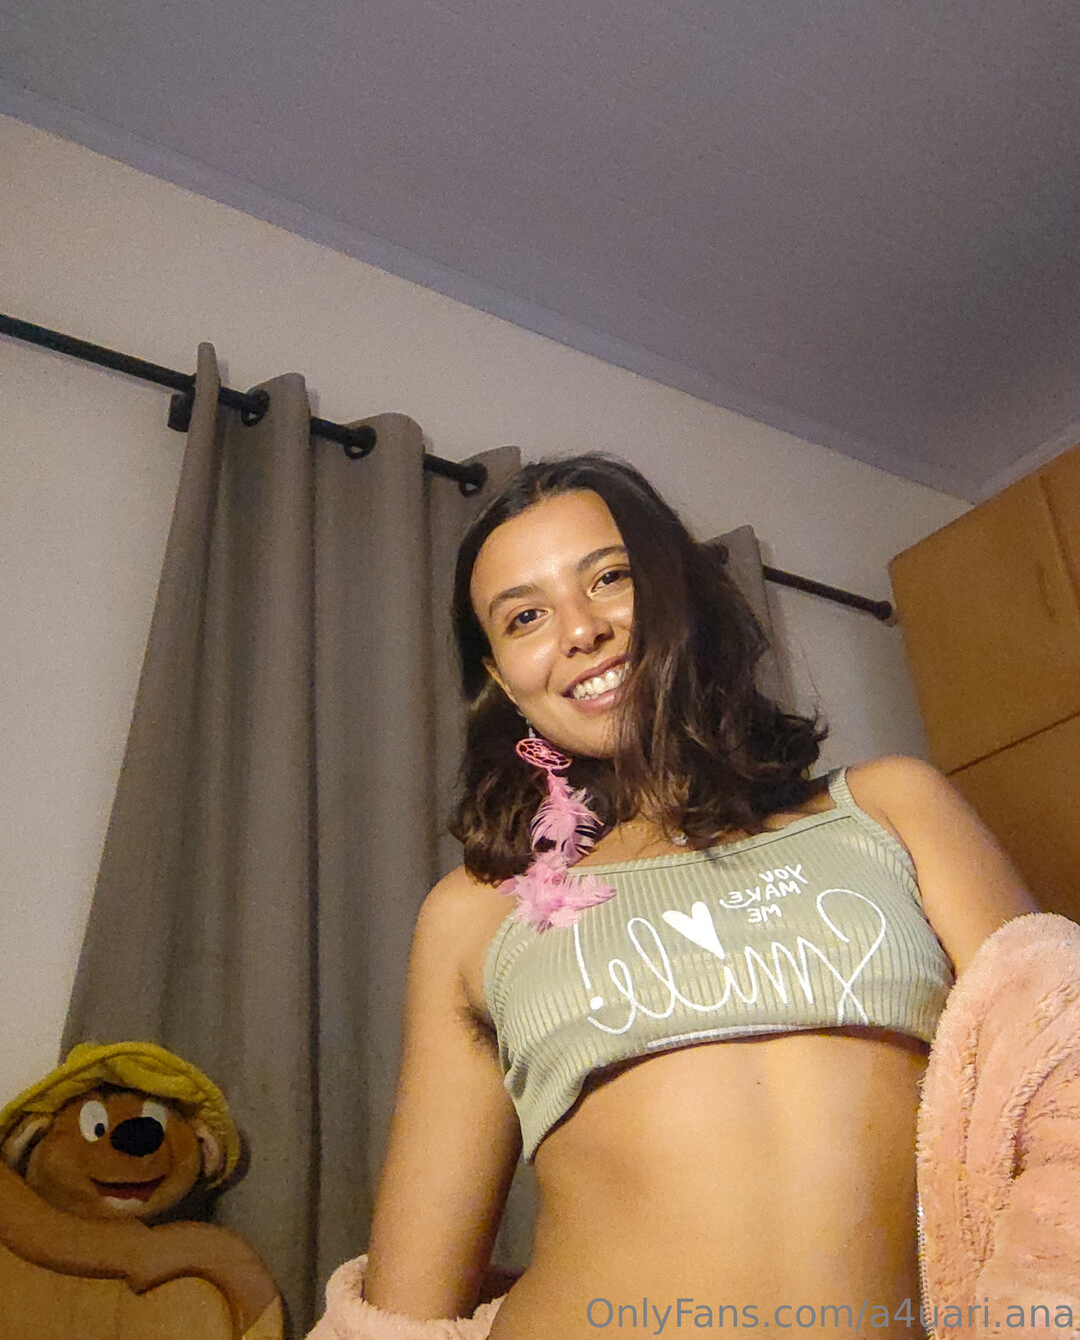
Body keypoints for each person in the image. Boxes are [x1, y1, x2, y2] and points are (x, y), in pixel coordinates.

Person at [333, 455, 1038, 1340]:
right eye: (525, 616)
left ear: (684, 589)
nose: (581, 630)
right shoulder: (475, 914)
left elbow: (1060, 1096)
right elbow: (403, 1307)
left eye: (610, 577)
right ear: (504, 681)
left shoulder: (893, 808)